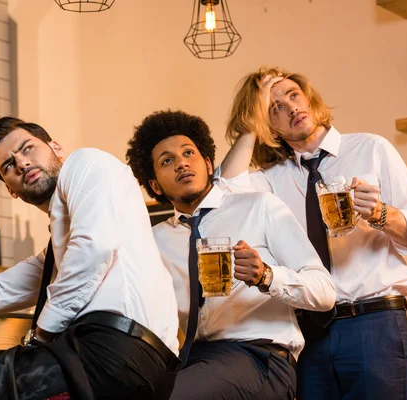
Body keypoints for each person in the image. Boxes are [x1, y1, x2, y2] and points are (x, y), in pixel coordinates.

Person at [0, 117, 181, 400]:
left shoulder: (87, 162)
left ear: (56, 148)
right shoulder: (57, 253)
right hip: (125, 367)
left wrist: (41, 336)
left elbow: (94, 248)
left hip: (117, 352)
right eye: (8, 165)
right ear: (11, 190)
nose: (21, 163)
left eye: (27, 148)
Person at [221, 67, 407, 400]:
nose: (291, 108)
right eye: (274, 108)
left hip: (373, 321)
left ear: (309, 97)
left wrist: (382, 213)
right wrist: (252, 119)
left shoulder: (370, 149)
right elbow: (225, 189)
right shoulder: (271, 179)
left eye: (293, 95)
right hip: (308, 330)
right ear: (268, 127)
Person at [125, 110, 336, 400]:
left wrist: (266, 276)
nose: (182, 163)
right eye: (167, 160)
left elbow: (325, 294)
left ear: (209, 162)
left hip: (260, 356)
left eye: (189, 153)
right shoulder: (155, 239)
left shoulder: (259, 206)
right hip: (195, 361)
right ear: (155, 185)